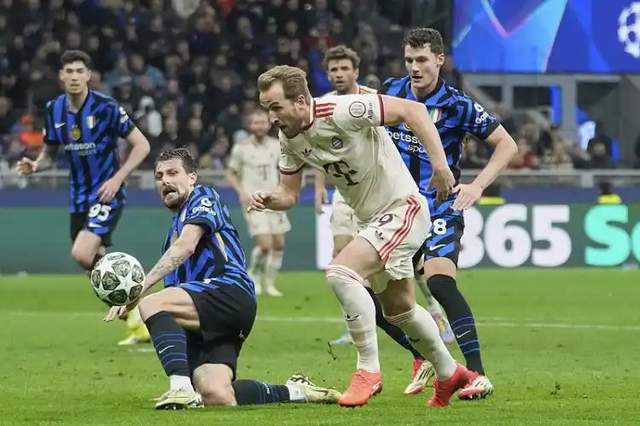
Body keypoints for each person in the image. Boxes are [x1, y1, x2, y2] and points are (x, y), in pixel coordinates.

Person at [253, 65, 477, 408]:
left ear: (300, 101)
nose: (271, 117)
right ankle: (450, 373)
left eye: (275, 107)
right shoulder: (289, 138)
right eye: (266, 108)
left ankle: (368, 371)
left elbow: (414, 111)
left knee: (340, 272)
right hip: (373, 220)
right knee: (399, 310)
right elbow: (289, 194)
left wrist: (440, 166)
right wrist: (271, 199)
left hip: (402, 208)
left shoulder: (344, 109)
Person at [105, 148, 341, 409]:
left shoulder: (203, 197)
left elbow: (186, 246)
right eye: (159, 176)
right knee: (216, 394)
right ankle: (296, 390)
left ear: (192, 178)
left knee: (151, 303)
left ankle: (180, 389)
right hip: (206, 313)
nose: (165, 181)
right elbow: (175, 293)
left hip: (229, 292)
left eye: (173, 173)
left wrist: (138, 290)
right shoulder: (171, 234)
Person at [380, 28, 518, 399]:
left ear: (439, 60)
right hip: (395, 208)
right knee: (372, 297)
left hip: (440, 204)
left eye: (422, 60)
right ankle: (425, 356)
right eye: (409, 60)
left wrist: (477, 186)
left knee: (440, 282)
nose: (414, 67)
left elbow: (506, 144)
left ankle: (478, 375)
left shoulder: (457, 105)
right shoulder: (391, 91)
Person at [313, 45, 454, 396]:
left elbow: (404, 125)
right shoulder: (318, 106)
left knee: (385, 271)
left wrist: (434, 166)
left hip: (383, 194)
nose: (338, 74)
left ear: (355, 71)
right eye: (333, 69)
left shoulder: (368, 101)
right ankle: (366, 326)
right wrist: (318, 188)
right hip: (346, 198)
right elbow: (315, 151)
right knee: (345, 266)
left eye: (344, 68)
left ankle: (425, 319)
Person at [15, 50, 152, 346]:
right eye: (69, 71)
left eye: (80, 71)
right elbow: (50, 154)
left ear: (89, 75)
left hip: (106, 193)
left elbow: (142, 144)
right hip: (78, 198)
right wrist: (35, 165)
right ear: (61, 76)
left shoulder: (106, 107)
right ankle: (136, 317)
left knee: (81, 253)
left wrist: (118, 178)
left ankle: (138, 296)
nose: (75, 77)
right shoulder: (54, 109)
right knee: (92, 264)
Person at [227, 109, 290, 297]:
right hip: (254, 201)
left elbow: (285, 169)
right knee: (265, 245)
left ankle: (269, 283)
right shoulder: (241, 148)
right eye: (256, 123)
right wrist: (241, 192)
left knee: (278, 245)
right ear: (250, 126)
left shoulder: (277, 145)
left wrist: (284, 189)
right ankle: (253, 275)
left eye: (262, 122)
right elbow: (231, 173)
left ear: (269, 124)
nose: (260, 126)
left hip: (274, 200)